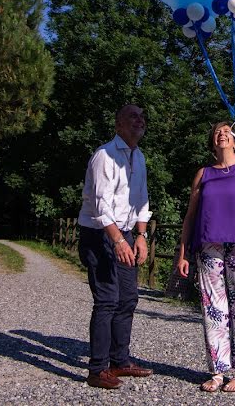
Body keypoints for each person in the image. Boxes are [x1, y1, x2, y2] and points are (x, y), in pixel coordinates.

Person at [176, 121, 235, 393]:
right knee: (212, 309)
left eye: (227, 131)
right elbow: (190, 217)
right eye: (217, 131)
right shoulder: (203, 174)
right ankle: (217, 371)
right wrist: (183, 253)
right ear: (212, 141)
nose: (222, 134)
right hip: (208, 248)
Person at [78, 104, 153, 390]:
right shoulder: (104, 156)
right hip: (99, 234)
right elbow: (99, 205)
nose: (139, 121)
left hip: (124, 232)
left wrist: (141, 235)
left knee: (128, 298)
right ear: (118, 123)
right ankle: (97, 369)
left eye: (142, 117)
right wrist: (118, 239)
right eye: (133, 117)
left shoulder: (140, 157)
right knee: (107, 299)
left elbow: (141, 199)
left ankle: (119, 361)